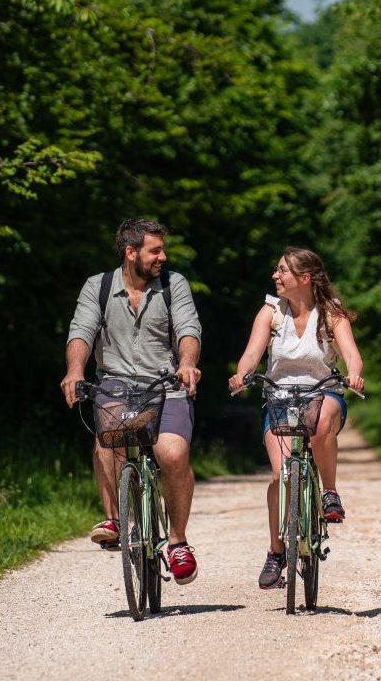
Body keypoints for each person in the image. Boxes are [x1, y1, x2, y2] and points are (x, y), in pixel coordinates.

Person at [61, 217, 203, 585]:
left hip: (165, 385)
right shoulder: (100, 286)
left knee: (172, 453)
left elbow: (188, 329)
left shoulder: (174, 285)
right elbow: (81, 331)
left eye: (162, 249)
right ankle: (117, 519)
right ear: (130, 252)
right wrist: (75, 371)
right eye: (155, 250)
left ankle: (177, 542)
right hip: (116, 384)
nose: (163, 257)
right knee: (106, 444)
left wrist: (187, 364)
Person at [228, 246, 365, 590]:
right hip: (279, 395)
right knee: (280, 475)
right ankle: (276, 551)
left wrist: (354, 374)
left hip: (324, 391)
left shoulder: (332, 314)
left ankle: (330, 493)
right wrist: (242, 374)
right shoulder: (270, 312)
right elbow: (252, 354)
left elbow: (351, 355)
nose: (275, 275)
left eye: (282, 270)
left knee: (321, 427)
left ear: (304, 278)